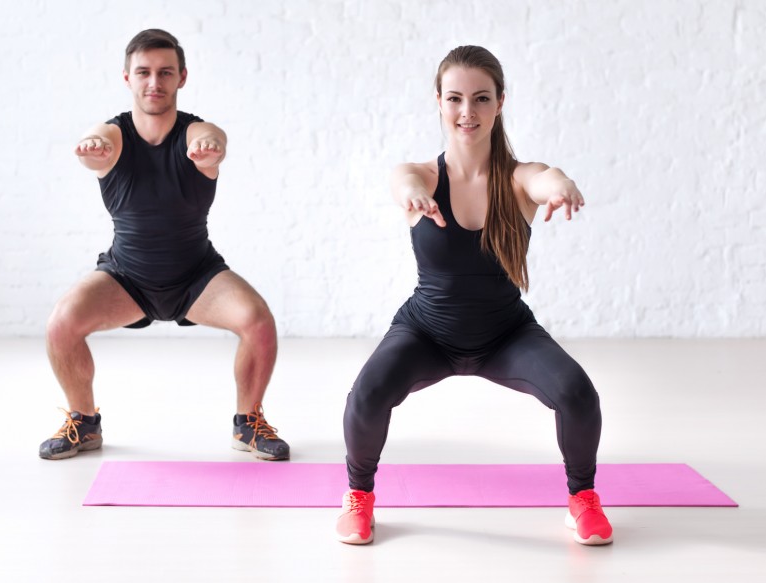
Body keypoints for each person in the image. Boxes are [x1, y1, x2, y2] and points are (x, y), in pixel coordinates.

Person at [336, 46, 612, 545]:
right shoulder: (422, 175)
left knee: (578, 394)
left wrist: (561, 185)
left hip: (505, 333)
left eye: (481, 98)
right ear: (438, 102)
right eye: (456, 98)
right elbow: (403, 180)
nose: (468, 112)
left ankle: (582, 499)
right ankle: (359, 497)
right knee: (367, 394)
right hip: (426, 331)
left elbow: (544, 176)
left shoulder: (518, 179)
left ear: (500, 103)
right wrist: (410, 195)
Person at [39, 29, 289, 462]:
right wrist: (91, 150)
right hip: (126, 279)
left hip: (197, 277)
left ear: (181, 78)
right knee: (62, 322)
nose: (154, 81)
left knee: (258, 322)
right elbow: (96, 145)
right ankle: (84, 423)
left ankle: (248, 424)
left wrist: (208, 150)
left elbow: (211, 140)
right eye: (144, 72)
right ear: (127, 79)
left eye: (165, 72)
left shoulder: (197, 132)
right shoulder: (113, 135)